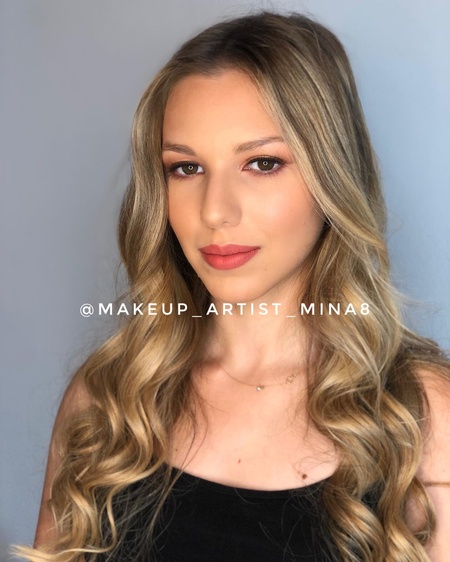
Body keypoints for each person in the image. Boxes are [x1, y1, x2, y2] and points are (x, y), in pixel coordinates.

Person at [13, 10, 450, 562]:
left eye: (262, 163)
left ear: (332, 176)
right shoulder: (111, 400)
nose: (215, 212)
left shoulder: (425, 416)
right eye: (186, 168)